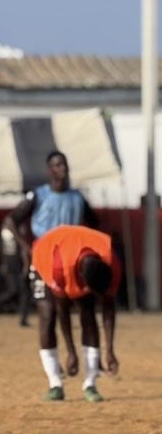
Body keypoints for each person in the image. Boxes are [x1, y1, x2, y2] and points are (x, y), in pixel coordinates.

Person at [5, 151, 99, 361]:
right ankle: (54, 379)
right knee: (47, 316)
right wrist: (27, 248)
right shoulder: (38, 195)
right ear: (50, 170)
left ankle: (89, 369)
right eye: (57, 165)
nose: (62, 169)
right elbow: (11, 221)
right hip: (44, 261)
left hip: (72, 263)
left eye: (64, 164)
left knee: (86, 312)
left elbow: (94, 224)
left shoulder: (78, 197)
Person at [30, 224, 121, 402]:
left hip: (74, 254)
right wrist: (71, 352)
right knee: (48, 316)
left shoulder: (112, 261)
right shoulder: (58, 268)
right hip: (45, 256)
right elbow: (63, 310)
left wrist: (109, 350)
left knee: (88, 312)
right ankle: (55, 383)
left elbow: (109, 306)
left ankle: (90, 383)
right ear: (82, 278)